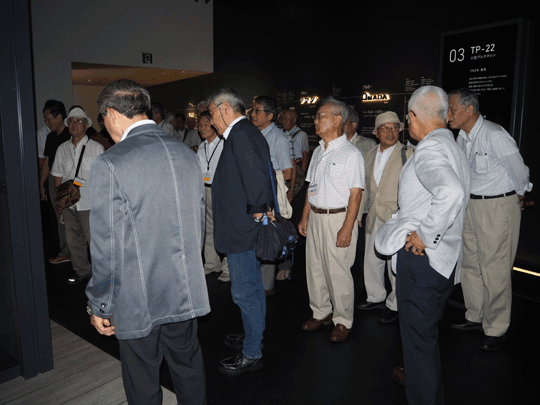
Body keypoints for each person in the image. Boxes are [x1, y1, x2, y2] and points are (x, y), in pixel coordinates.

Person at [86, 79, 209, 405]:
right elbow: (197, 227)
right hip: (184, 289)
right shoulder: (186, 154)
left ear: (112, 114)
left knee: (142, 379)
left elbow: (106, 246)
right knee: (188, 368)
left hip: (137, 297)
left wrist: (100, 303)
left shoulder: (111, 162)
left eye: (102, 118)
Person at [375, 85, 471, 405]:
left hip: (422, 260)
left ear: (414, 116)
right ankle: (419, 377)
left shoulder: (429, 149)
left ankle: (423, 392)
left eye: (408, 118)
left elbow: (451, 192)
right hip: (444, 261)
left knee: (419, 341)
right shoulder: (452, 145)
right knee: (424, 338)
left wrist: (424, 235)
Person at [447, 88, 532, 351]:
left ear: (469, 110)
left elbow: (520, 170)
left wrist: (520, 194)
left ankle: (496, 328)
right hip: (471, 205)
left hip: (497, 206)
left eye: (452, 109)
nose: (448, 115)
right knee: (470, 264)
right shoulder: (461, 137)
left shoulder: (495, 135)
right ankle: (475, 315)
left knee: (495, 268)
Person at [207, 87, 274, 375]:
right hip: (244, 228)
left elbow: (256, 178)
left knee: (246, 292)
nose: (210, 120)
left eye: (211, 113)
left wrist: (257, 215)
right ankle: (253, 335)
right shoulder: (244, 131)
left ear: (224, 108)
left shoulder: (241, 134)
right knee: (253, 289)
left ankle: (252, 352)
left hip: (242, 230)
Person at [298, 97, 364, 343]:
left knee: (338, 272)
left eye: (320, 116)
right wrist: (304, 217)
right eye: (316, 117)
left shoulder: (351, 153)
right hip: (316, 217)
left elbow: (356, 194)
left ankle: (343, 320)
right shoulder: (318, 151)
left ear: (337, 120)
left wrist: (347, 228)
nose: (315, 120)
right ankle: (321, 312)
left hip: (338, 219)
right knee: (314, 268)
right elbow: (311, 187)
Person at [356, 111, 413, 323]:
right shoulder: (368, 154)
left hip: (395, 216)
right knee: (372, 259)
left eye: (394, 127)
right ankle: (375, 296)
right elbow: (363, 187)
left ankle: (395, 304)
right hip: (373, 214)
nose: (390, 132)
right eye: (385, 128)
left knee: (394, 264)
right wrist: (360, 213)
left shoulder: (409, 153)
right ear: (376, 132)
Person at [50, 107, 104, 285]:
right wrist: (60, 201)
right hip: (69, 204)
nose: (74, 124)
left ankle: (102, 274)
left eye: (79, 121)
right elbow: (57, 176)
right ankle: (82, 271)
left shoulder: (96, 148)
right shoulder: (62, 149)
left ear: (86, 125)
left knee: (95, 241)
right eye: (71, 121)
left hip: (90, 203)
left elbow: (103, 178)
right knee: (73, 241)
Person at [251, 95, 294, 296]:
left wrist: (266, 177)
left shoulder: (278, 138)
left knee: (269, 234)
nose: (253, 114)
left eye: (257, 111)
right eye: (252, 110)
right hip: (256, 193)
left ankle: (267, 285)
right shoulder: (253, 134)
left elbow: (287, 172)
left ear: (270, 116)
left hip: (270, 194)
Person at [196, 110, 230, 282]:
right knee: (208, 228)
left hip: (221, 189)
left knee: (223, 228)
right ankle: (211, 263)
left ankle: (228, 267)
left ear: (214, 125)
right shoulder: (201, 146)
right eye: (200, 125)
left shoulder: (225, 144)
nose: (202, 128)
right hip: (204, 189)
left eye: (206, 124)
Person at [40, 100, 72, 264]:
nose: (47, 123)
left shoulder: (71, 134)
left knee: (69, 216)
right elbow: (47, 162)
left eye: (48, 119)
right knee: (58, 217)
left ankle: (69, 252)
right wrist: (42, 184)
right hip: (53, 180)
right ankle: (65, 251)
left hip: (68, 180)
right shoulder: (50, 137)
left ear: (59, 117)